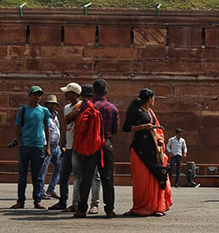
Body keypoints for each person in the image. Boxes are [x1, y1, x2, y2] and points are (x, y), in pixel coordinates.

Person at [122, 88, 173, 216]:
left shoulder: (150, 113)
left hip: (153, 151)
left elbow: (158, 131)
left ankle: (156, 207)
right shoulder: (135, 112)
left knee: (155, 178)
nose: (154, 101)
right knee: (142, 181)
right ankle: (140, 207)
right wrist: (144, 127)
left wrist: (160, 140)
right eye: (153, 98)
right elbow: (126, 128)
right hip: (139, 151)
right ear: (149, 99)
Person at [74, 82, 117, 218]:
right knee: (108, 178)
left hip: (90, 145)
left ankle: (82, 209)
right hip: (106, 144)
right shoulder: (112, 108)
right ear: (106, 91)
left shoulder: (87, 106)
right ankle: (109, 209)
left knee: (86, 177)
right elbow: (115, 130)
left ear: (94, 92)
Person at [11, 85, 51, 209]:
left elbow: (47, 128)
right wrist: (20, 142)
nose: (37, 97)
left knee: (37, 176)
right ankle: (21, 201)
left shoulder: (44, 111)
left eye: (39, 95)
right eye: (35, 94)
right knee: (22, 175)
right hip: (26, 146)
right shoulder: (23, 110)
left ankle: (37, 200)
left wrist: (48, 146)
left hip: (38, 146)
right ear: (30, 95)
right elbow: (17, 127)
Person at [49, 82, 81, 211]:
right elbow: (65, 127)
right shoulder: (67, 108)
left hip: (78, 146)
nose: (65, 94)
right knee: (64, 175)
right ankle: (63, 201)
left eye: (67, 92)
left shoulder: (82, 107)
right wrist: (62, 143)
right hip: (68, 145)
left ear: (74, 93)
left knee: (78, 176)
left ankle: (77, 202)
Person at [38, 94, 62, 200]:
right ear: (47, 105)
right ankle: (40, 191)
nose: (53, 106)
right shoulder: (44, 115)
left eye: (54, 104)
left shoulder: (55, 115)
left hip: (56, 147)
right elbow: (42, 131)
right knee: (43, 169)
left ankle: (51, 189)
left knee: (61, 166)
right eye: (51, 104)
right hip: (47, 146)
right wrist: (45, 146)